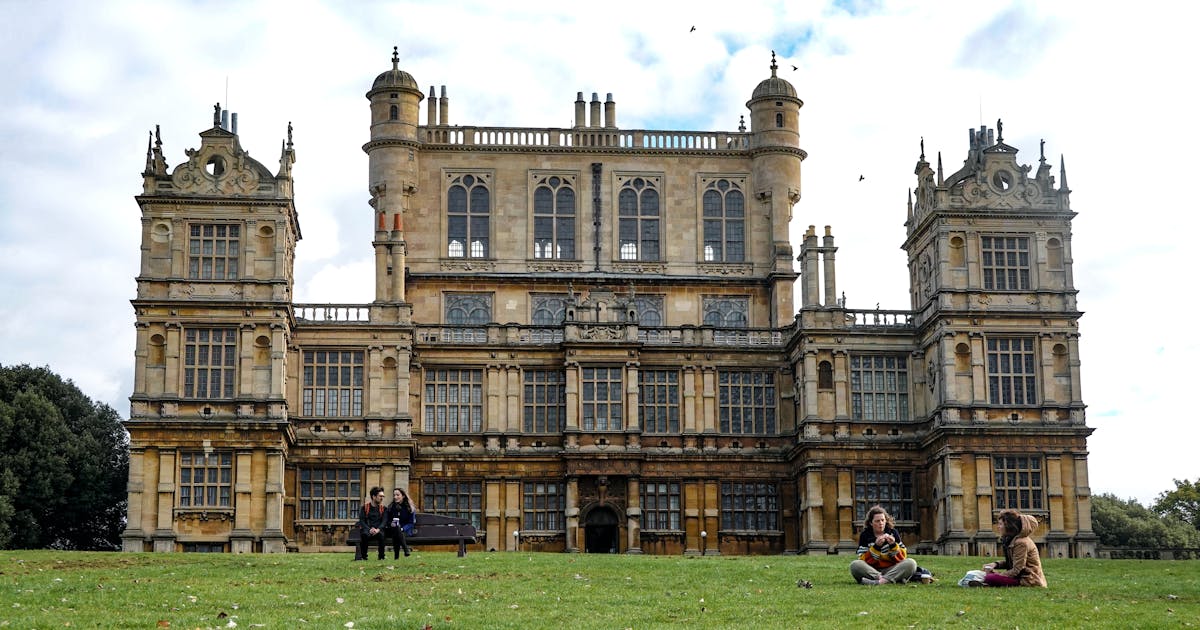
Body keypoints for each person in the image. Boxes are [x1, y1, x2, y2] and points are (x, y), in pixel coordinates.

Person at [972, 509, 1047, 587]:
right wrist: (995, 564)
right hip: (1019, 577)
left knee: (990, 578)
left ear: (1008, 526)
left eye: (1000, 524)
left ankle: (985, 583)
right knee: (987, 576)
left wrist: (999, 575)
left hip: (1028, 580)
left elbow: (1017, 569)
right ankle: (984, 583)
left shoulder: (1021, 543)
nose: (998, 527)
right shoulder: (1012, 540)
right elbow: (1012, 562)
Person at [850, 505, 918, 585]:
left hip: (892, 568)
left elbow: (902, 558)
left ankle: (880, 582)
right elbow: (862, 559)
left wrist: (893, 545)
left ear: (886, 521)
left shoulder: (893, 533)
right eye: (877, 521)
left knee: (911, 563)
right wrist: (876, 547)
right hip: (872, 570)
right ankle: (888, 579)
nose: (881, 523)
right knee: (855, 565)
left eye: (882, 520)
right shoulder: (865, 535)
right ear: (871, 523)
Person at [354, 486, 388, 561]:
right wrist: (369, 529)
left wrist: (378, 529)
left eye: (383, 496)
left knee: (382, 536)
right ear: (374, 496)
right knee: (364, 535)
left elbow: (384, 521)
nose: (382, 498)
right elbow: (362, 521)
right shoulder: (365, 508)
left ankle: (381, 557)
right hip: (367, 530)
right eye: (380, 496)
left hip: (378, 530)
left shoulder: (384, 509)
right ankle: (364, 557)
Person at [386, 487, 417, 559]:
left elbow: (411, 523)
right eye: (394, 495)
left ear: (403, 496)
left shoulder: (409, 507)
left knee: (398, 532)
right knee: (396, 529)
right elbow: (388, 521)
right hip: (393, 529)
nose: (395, 497)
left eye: (397, 495)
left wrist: (403, 529)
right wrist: (391, 523)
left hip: (406, 530)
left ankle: (396, 557)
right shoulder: (391, 507)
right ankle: (406, 549)